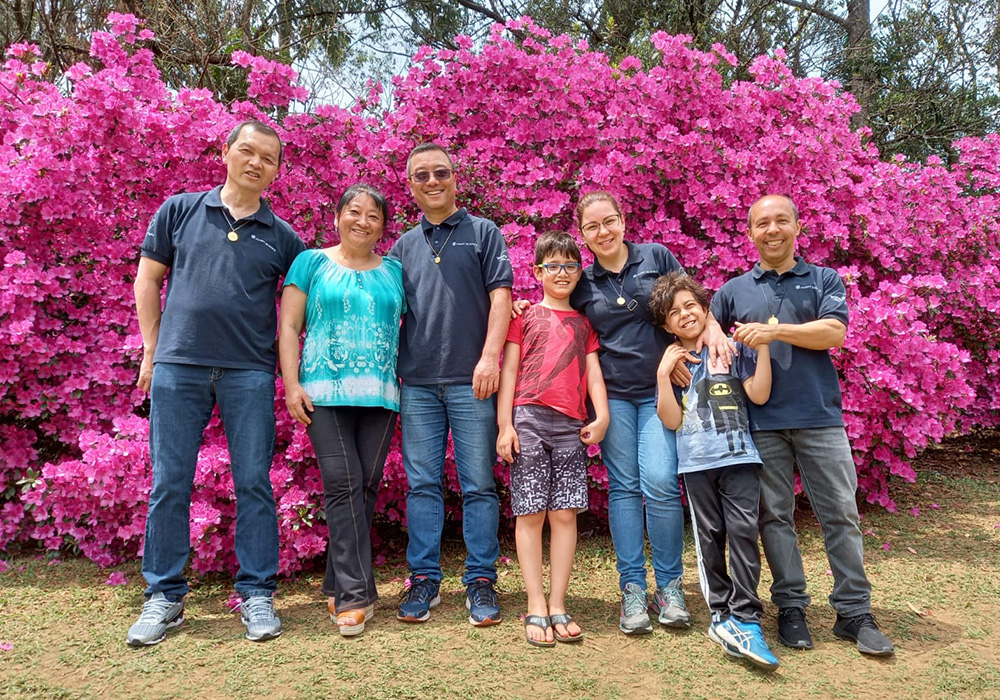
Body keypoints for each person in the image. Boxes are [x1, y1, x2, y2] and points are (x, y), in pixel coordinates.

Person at [128, 120, 305, 647]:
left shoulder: (283, 237)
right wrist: (152, 350)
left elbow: (299, 309)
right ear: (225, 152)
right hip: (178, 367)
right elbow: (148, 279)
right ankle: (164, 596)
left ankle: (257, 593)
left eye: (267, 158)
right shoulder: (179, 210)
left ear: (276, 171)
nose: (256, 163)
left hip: (249, 372)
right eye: (247, 151)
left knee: (253, 482)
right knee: (170, 482)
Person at [711, 194, 894, 657]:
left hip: (818, 417)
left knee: (841, 515)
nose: (772, 230)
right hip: (761, 422)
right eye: (762, 223)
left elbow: (834, 332)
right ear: (749, 233)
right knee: (775, 517)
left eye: (781, 221)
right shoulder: (733, 290)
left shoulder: (823, 279)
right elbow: (706, 328)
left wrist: (774, 331)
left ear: (797, 227)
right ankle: (791, 606)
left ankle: (854, 613)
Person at [568, 191, 730, 635]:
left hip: (661, 391)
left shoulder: (655, 257)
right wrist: (521, 307)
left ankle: (670, 587)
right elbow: (560, 311)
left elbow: (691, 302)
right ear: (582, 234)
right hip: (613, 396)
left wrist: (714, 328)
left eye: (609, 221)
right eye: (592, 226)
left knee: (659, 482)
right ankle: (633, 589)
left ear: (623, 220)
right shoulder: (584, 283)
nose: (603, 232)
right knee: (623, 488)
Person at [389, 143, 513, 626]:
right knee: (423, 485)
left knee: (478, 484)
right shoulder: (402, 246)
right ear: (411, 185)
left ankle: (480, 579)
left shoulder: (483, 233)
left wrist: (489, 358)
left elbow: (501, 297)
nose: (432, 181)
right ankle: (424, 578)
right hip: (418, 383)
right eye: (421, 175)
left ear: (455, 178)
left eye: (441, 172)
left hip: (472, 381)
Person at [278, 184, 404, 637]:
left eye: (373, 216)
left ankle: (336, 581)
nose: (362, 221)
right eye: (354, 211)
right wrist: (292, 385)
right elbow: (289, 326)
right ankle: (355, 594)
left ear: (383, 227)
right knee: (342, 481)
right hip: (322, 392)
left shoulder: (394, 271)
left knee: (364, 487)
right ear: (337, 217)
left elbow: (431, 313)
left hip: (381, 396)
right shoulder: (310, 262)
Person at [650, 271, 779, 671]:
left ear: (706, 309)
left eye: (691, 306)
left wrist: (763, 350)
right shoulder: (674, 363)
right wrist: (662, 375)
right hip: (696, 464)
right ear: (666, 326)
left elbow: (759, 394)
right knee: (710, 537)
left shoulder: (730, 350)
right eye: (674, 312)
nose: (684, 314)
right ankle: (721, 614)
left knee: (743, 533)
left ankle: (747, 615)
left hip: (739, 458)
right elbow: (671, 420)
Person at [496, 231, 610, 647]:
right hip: (528, 419)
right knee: (530, 514)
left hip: (570, 426)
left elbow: (593, 373)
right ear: (537, 271)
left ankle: (558, 603)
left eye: (570, 265)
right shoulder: (523, 316)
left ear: (579, 272)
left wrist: (602, 415)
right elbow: (509, 371)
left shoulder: (584, 323)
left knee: (564, 515)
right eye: (553, 266)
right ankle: (536, 603)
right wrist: (505, 425)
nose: (562, 273)